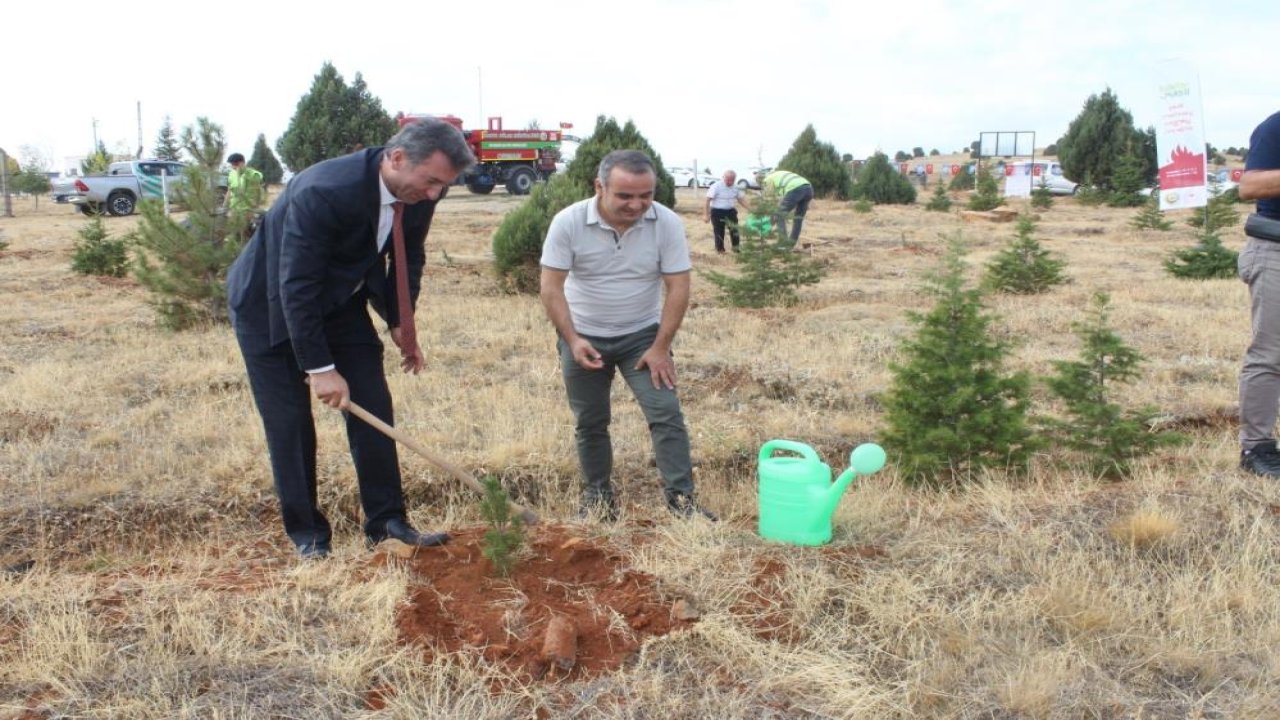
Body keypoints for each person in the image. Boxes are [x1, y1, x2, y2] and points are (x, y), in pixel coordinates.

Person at [226, 119, 476, 558]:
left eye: (444, 185)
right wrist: (319, 369)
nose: (435, 194)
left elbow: (408, 254)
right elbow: (295, 285)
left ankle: (387, 523)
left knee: (372, 405)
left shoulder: (419, 190)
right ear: (397, 159)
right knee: (290, 424)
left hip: (340, 300)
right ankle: (309, 537)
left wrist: (402, 321)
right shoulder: (324, 190)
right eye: (432, 181)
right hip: (267, 305)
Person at [539, 149, 717, 523]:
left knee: (665, 414)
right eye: (625, 196)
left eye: (646, 195)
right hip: (584, 336)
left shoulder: (665, 223)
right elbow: (551, 288)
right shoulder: (568, 222)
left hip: (642, 338)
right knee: (590, 421)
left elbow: (679, 287)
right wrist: (572, 339)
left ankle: (682, 502)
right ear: (599, 187)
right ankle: (599, 500)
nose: (637, 205)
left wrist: (660, 347)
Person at [1237, 109, 1280, 478]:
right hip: (1275, 250)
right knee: (1271, 354)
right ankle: (1257, 448)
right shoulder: (1275, 127)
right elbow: (1249, 186)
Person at [760, 169, 814, 247]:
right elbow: (781, 201)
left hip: (795, 189)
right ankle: (791, 244)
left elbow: (770, 199)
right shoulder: (779, 175)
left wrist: (770, 218)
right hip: (809, 189)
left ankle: (783, 243)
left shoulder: (767, 179)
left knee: (779, 215)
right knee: (798, 218)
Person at [703, 170, 750, 253]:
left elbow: (741, 199)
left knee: (735, 230)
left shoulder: (736, 187)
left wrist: (750, 209)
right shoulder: (716, 186)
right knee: (719, 231)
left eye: (731, 180)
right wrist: (706, 215)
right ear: (723, 177)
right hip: (717, 211)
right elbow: (707, 200)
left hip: (730, 211)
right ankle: (720, 250)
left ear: (734, 179)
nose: (729, 182)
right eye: (727, 180)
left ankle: (736, 249)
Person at [225, 152, 265, 230]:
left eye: (236, 164)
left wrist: (255, 207)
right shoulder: (231, 175)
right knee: (233, 231)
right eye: (232, 165)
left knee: (246, 231)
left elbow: (258, 192)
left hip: (248, 209)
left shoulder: (254, 175)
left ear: (243, 162)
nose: (234, 167)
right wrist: (225, 206)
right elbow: (229, 191)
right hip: (234, 208)